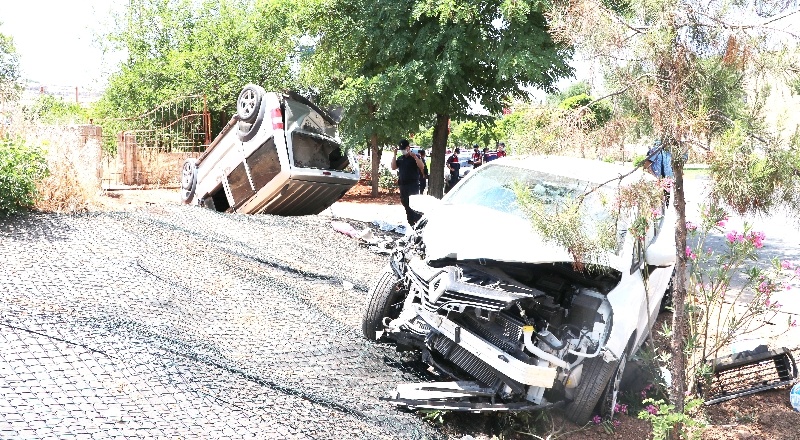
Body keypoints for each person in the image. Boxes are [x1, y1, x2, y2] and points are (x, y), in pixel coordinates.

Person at [391, 139, 425, 226]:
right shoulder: (400, 158)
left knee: (414, 205)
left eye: (404, 149)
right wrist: (394, 154)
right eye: (401, 149)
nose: (403, 151)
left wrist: (415, 157)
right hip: (403, 185)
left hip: (413, 185)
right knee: (406, 204)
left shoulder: (415, 157)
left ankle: (418, 223)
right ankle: (411, 224)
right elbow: (393, 167)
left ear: (408, 148)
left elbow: (422, 166)